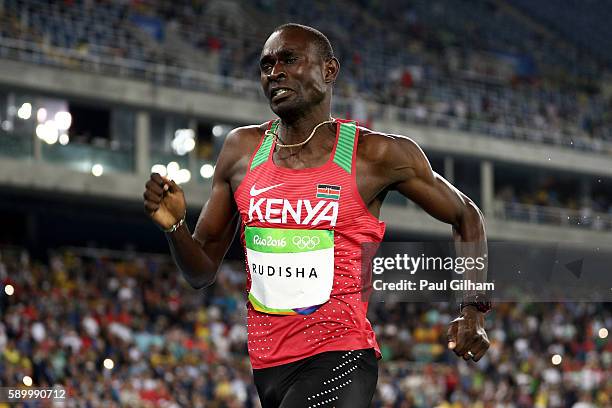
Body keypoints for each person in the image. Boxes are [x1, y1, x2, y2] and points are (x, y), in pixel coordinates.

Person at [143, 23, 490, 408]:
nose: (274, 72)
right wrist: (175, 226)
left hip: (341, 356)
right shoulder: (242, 152)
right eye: (266, 64)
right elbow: (201, 271)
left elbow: (467, 215)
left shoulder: (374, 155)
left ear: (329, 71)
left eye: (289, 60)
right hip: (267, 368)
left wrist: (472, 308)